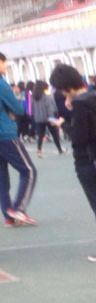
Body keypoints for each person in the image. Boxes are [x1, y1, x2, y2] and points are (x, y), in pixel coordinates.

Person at [48, 64, 96, 263]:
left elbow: (79, 138)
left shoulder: (80, 105)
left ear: (66, 86)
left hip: (86, 161)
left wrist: (65, 124)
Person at [0, 52, 37, 227]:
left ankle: (8, 216)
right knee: (28, 171)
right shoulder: (2, 84)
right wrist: (11, 111)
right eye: (3, 63)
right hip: (5, 134)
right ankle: (18, 209)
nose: (5, 66)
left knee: (2, 178)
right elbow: (18, 109)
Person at [29, 81, 62, 157]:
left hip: (38, 118)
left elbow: (32, 108)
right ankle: (59, 149)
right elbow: (50, 108)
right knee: (54, 134)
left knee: (40, 135)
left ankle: (39, 150)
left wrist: (34, 116)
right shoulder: (46, 96)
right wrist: (52, 119)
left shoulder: (33, 97)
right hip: (48, 117)